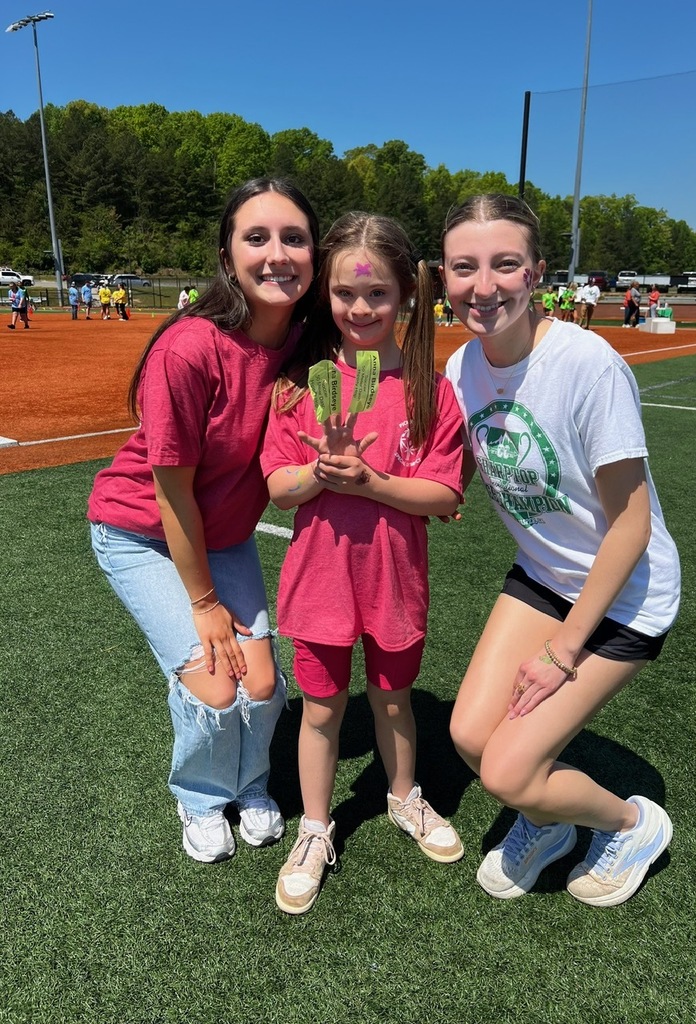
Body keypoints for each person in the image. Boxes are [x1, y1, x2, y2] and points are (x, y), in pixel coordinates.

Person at [440, 194, 680, 908]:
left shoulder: (588, 366)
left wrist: (563, 651)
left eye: (505, 264)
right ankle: (550, 826)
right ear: (443, 278)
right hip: (546, 576)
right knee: (470, 737)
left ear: (537, 272)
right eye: (464, 267)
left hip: (627, 592)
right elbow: (442, 481)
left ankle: (632, 824)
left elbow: (631, 528)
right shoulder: (460, 370)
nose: (484, 286)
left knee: (508, 775)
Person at [88, 178, 319, 863]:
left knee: (266, 684)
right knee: (219, 687)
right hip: (142, 533)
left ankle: (248, 782)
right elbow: (171, 494)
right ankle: (198, 794)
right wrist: (205, 604)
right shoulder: (190, 348)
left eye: (294, 238)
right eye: (257, 238)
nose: (277, 254)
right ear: (227, 255)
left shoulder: (309, 348)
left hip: (224, 536)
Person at [262, 212, 465, 915]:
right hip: (320, 586)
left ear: (407, 294)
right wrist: (318, 470)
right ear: (326, 297)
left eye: (377, 293)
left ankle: (405, 796)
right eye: (347, 295)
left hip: (394, 586)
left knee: (392, 699)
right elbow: (277, 490)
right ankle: (316, 828)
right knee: (321, 709)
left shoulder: (429, 390)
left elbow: (443, 491)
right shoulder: (301, 384)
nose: (360, 308)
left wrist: (373, 483)